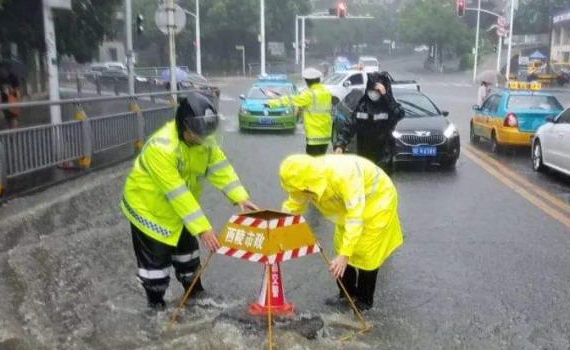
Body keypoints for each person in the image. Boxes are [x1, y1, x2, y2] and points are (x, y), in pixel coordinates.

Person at [121, 92, 259, 309]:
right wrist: (203, 228)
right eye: (198, 136)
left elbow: (219, 168)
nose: (203, 140)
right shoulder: (162, 149)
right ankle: (155, 306)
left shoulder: (202, 139)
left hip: (182, 212)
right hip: (149, 210)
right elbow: (177, 192)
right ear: (183, 127)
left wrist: (240, 197)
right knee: (155, 269)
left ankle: (194, 294)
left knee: (188, 257)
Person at [279, 154, 403, 310]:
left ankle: (364, 301)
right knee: (341, 246)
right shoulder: (304, 179)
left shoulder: (344, 175)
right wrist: (279, 230)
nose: (301, 192)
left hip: (377, 202)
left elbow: (355, 216)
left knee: (366, 252)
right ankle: (347, 295)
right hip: (349, 209)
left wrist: (345, 255)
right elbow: (294, 204)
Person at [334, 72, 405, 173]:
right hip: (364, 156)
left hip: (384, 157)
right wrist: (340, 145)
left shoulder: (388, 106)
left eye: (377, 91)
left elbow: (400, 114)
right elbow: (349, 126)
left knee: (381, 187)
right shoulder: (362, 106)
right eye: (371, 90)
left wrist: (386, 95)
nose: (373, 93)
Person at [266, 68, 332, 156]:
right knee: (320, 162)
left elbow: (291, 100)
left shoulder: (309, 94)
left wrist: (271, 103)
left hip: (314, 135)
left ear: (307, 82)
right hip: (326, 134)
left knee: (311, 163)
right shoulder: (327, 92)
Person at [0, 63, 21, 128]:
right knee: (8, 119)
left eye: (2, 71)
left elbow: (18, 90)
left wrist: (11, 90)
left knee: (13, 118)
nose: (1, 73)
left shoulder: (12, 77)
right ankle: (11, 132)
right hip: (4, 100)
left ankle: (13, 132)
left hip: (13, 99)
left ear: (6, 70)